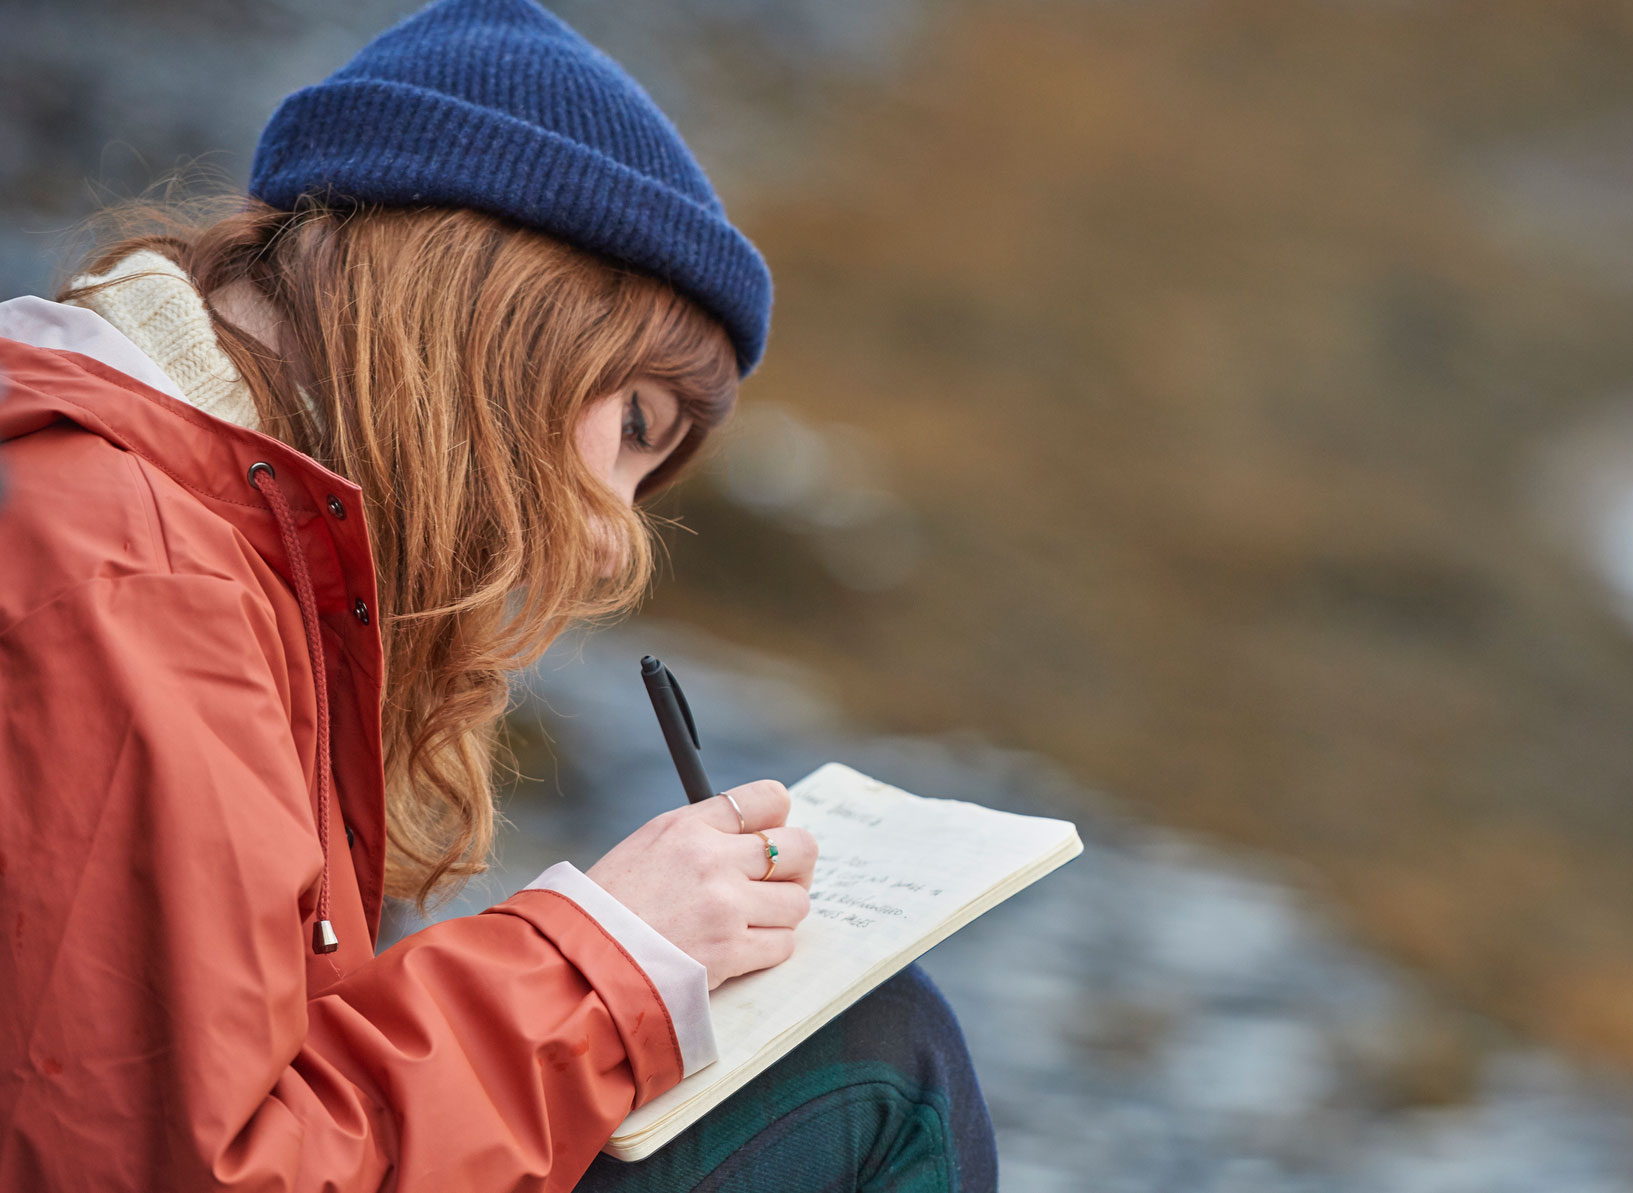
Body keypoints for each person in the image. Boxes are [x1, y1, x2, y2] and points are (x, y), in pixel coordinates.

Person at [0, 1, 998, 1189]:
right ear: (498, 313)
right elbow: (182, 1168)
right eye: (632, 425)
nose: (612, 536)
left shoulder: (212, 529)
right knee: (881, 1065)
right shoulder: (128, 565)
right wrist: (607, 956)